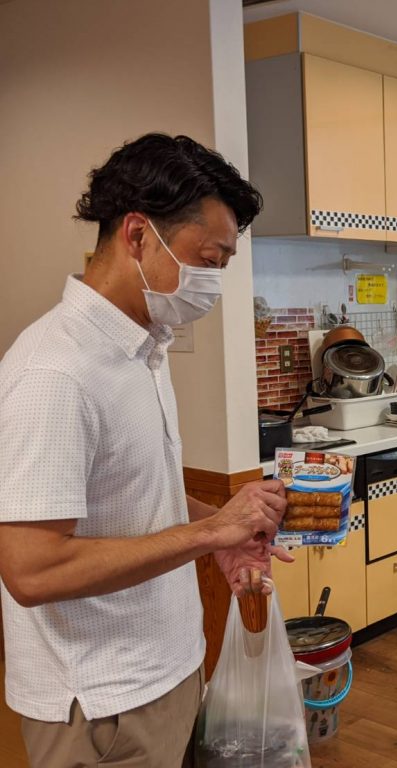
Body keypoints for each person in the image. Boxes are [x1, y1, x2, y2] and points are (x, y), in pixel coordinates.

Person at [0, 133, 293, 768]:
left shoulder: (141, 348)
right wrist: (210, 531)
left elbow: (137, 495)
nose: (213, 282)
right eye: (208, 259)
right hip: (102, 705)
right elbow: (31, 570)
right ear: (138, 235)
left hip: (167, 671)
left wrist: (219, 532)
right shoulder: (55, 373)